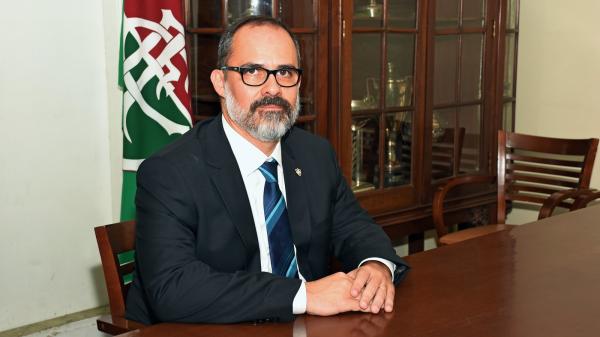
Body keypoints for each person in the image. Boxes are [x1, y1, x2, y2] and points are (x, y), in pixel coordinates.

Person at [125, 15, 409, 325]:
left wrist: (377, 266)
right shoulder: (170, 172)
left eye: (285, 72)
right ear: (220, 82)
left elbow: (356, 228)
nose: (272, 88)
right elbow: (172, 288)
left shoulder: (314, 154)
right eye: (253, 72)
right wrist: (304, 295)